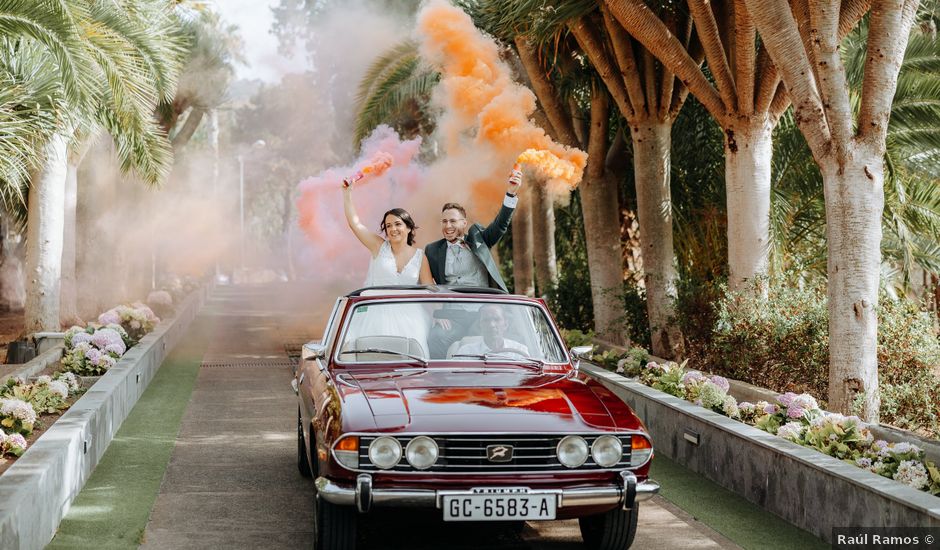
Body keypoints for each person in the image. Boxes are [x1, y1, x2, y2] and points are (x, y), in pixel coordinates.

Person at [424, 166, 523, 357]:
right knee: (436, 336)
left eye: (453, 221)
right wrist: (437, 316)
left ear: (464, 223)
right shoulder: (433, 250)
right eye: (444, 222)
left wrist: (511, 193)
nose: (448, 226)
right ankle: (441, 382)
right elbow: (429, 286)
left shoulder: (478, 238)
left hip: (483, 312)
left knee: (499, 341)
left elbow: (500, 224)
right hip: (454, 315)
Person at [342, 176, 433, 355]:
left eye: (398, 224)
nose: (393, 229)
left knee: (411, 355)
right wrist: (347, 194)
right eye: (388, 225)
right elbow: (355, 224)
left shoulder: (420, 256)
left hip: (410, 315)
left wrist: (440, 316)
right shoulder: (378, 246)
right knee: (371, 354)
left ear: (409, 228)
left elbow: (430, 289)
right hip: (375, 311)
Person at [452, 304, 529, 359]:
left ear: (505, 324)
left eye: (496, 319)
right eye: (486, 320)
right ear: (480, 325)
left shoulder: (520, 351)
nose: (492, 325)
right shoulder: (466, 352)